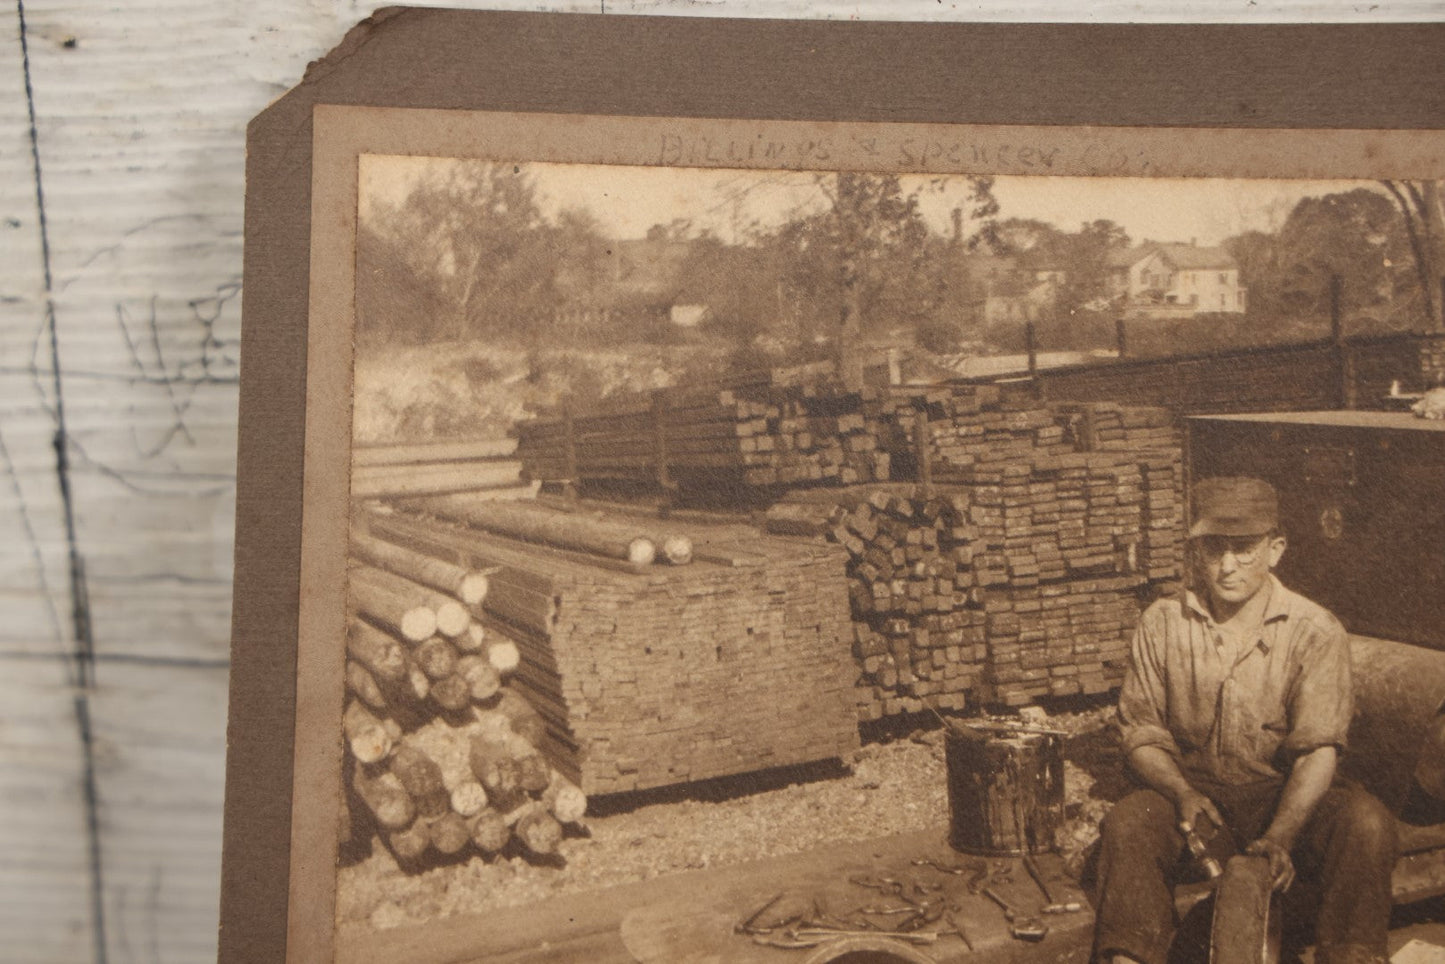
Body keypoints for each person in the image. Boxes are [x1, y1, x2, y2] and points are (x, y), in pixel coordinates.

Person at [1092, 476, 1397, 964]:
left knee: (1367, 823)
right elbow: (1142, 733)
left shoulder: (1314, 630)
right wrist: (1182, 793)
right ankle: (1129, 955)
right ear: (1196, 551)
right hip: (1198, 799)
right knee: (1129, 821)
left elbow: (1318, 751)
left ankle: (1352, 954)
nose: (1227, 566)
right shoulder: (1162, 622)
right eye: (1214, 549)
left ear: (1275, 549)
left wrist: (1281, 836)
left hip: (1282, 796)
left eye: (1244, 549)